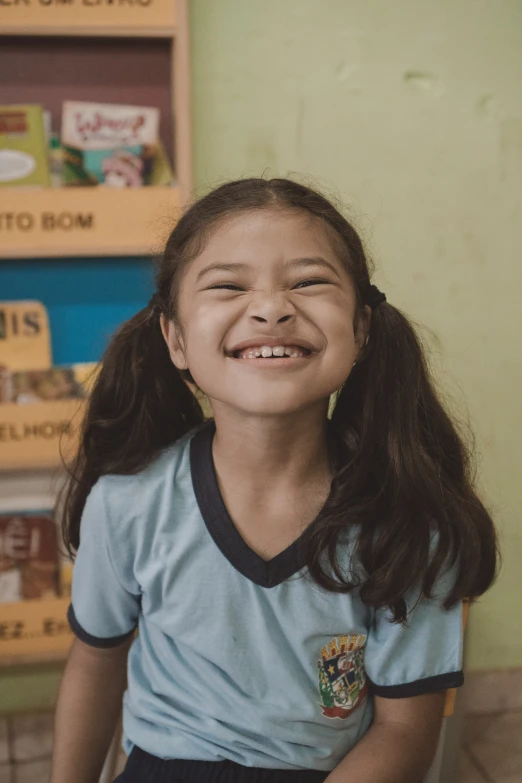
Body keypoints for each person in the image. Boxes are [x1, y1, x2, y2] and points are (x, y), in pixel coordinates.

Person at [51, 178, 497, 783]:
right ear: (175, 337)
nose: (271, 308)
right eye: (229, 286)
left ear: (362, 328)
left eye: (308, 282)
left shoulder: (408, 521)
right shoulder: (129, 502)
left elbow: (404, 731)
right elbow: (96, 664)